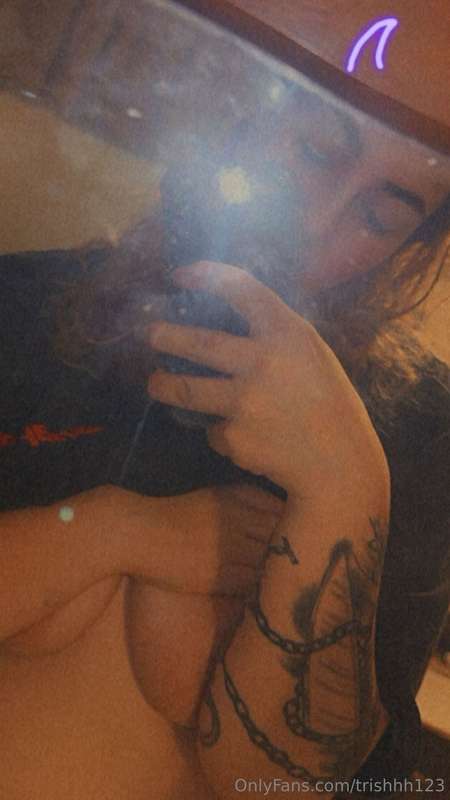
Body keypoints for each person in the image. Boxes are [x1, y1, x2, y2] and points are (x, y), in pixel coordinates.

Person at [0, 1, 449, 798]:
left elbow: (320, 785)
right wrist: (115, 531)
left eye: (379, 219)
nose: (317, 225)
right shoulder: (20, 304)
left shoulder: (417, 429)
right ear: (237, 102)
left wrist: (345, 487)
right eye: (315, 150)